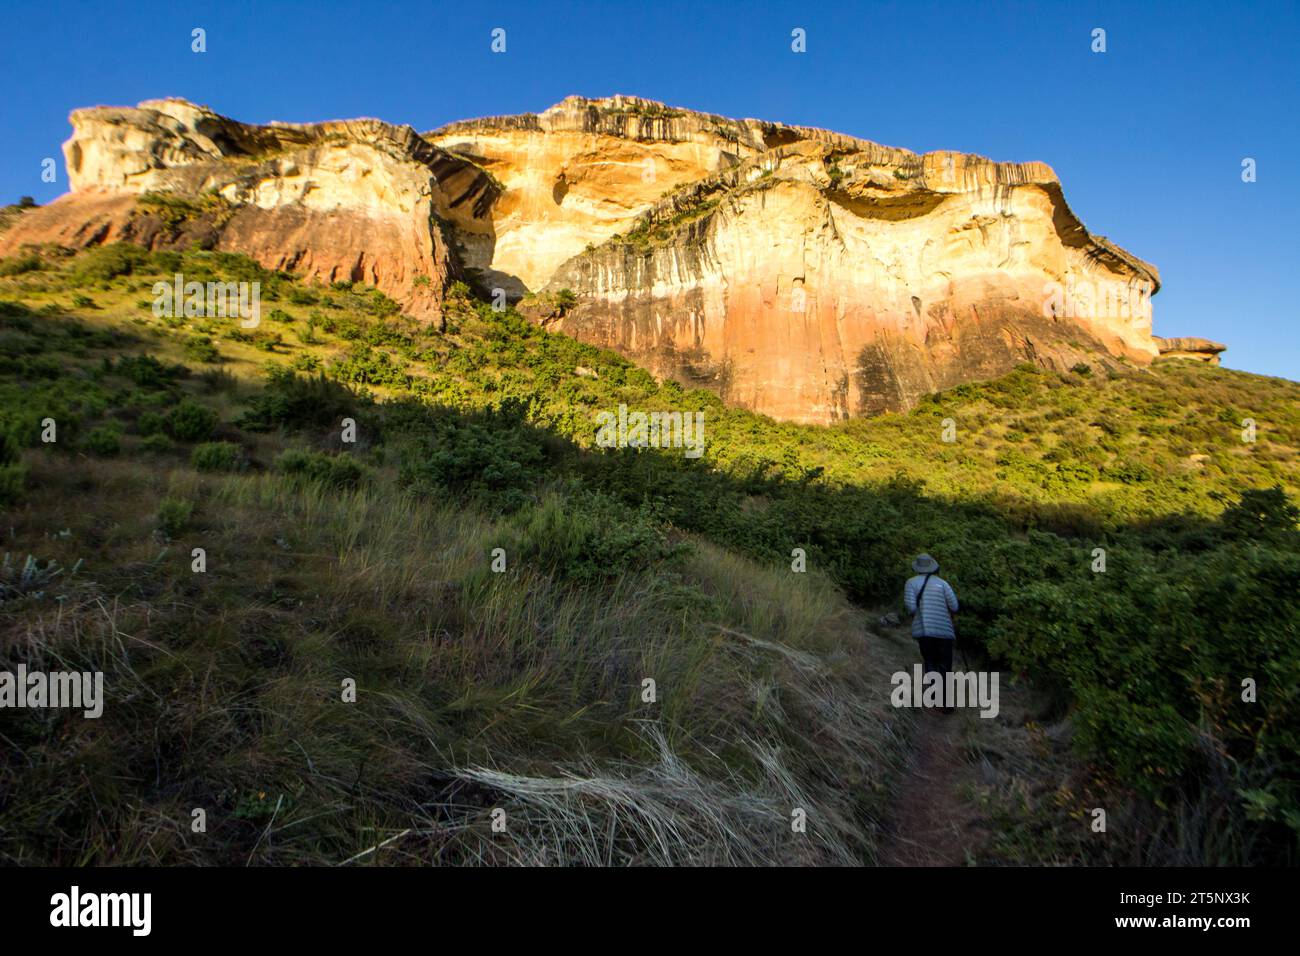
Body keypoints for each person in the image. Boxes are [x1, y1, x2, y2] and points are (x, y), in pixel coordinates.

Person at [903, 554, 960, 713]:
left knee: (930, 662)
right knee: (945, 666)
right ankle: (947, 704)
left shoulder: (911, 583)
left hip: (924, 630)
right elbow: (955, 606)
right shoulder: (943, 584)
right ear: (932, 566)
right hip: (944, 630)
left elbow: (911, 608)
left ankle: (935, 697)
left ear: (918, 567)